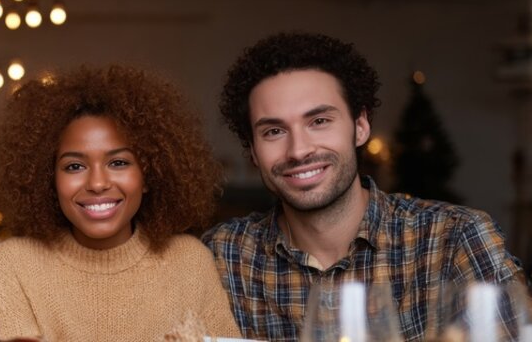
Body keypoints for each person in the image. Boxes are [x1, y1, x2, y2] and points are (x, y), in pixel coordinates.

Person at [202, 31, 528, 341]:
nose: (299, 150)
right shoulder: (222, 256)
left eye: (319, 121)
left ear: (360, 127)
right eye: (274, 131)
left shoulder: (455, 238)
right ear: (252, 152)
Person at [0, 65, 241, 341]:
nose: (97, 183)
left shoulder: (190, 262)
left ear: (149, 174)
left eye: (118, 163)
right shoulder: (14, 264)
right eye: (74, 166)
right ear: (49, 179)